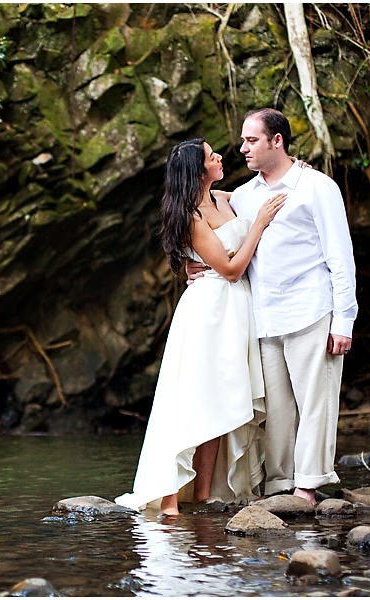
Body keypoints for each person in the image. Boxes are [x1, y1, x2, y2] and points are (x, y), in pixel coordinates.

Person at [189, 108, 358, 505]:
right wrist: (189, 264)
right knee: (277, 409)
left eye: (251, 140)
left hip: (313, 310)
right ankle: (280, 483)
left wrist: (344, 321)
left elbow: (341, 257)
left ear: (276, 141)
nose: (242, 148)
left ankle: (308, 484)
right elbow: (203, 223)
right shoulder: (243, 196)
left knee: (316, 401)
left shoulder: (318, 187)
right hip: (262, 318)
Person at [114, 138, 287, 515]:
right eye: (212, 156)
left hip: (235, 311)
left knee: (222, 399)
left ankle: (206, 493)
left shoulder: (223, 200)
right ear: (197, 170)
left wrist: (296, 168)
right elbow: (229, 269)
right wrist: (258, 224)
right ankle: (170, 495)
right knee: (192, 398)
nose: (220, 157)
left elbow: (261, 185)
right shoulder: (192, 216)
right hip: (207, 311)